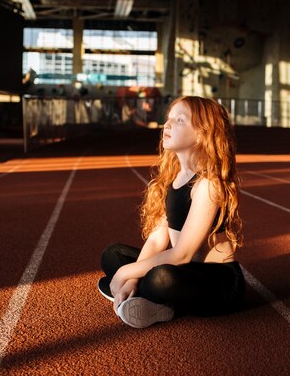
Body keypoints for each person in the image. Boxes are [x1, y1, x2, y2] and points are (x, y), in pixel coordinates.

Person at [98, 96, 245, 328]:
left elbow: (182, 255)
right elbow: (157, 241)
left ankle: (150, 298)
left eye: (179, 120)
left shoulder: (207, 184)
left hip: (219, 282)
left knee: (162, 277)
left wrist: (124, 274)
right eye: (168, 119)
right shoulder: (173, 179)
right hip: (186, 271)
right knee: (113, 254)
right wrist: (132, 276)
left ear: (202, 134)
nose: (167, 125)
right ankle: (147, 297)